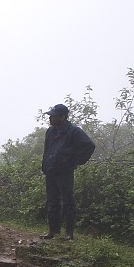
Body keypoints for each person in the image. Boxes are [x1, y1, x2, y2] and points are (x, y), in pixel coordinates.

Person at [40, 103, 95, 240]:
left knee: (68, 201)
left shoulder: (74, 131)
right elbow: (47, 150)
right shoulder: (50, 131)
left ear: (62, 117)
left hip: (65, 171)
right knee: (52, 201)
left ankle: (69, 233)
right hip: (51, 169)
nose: (50, 118)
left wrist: (75, 161)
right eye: (50, 116)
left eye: (53, 116)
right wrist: (45, 165)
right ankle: (53, 231)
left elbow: (89, 145)